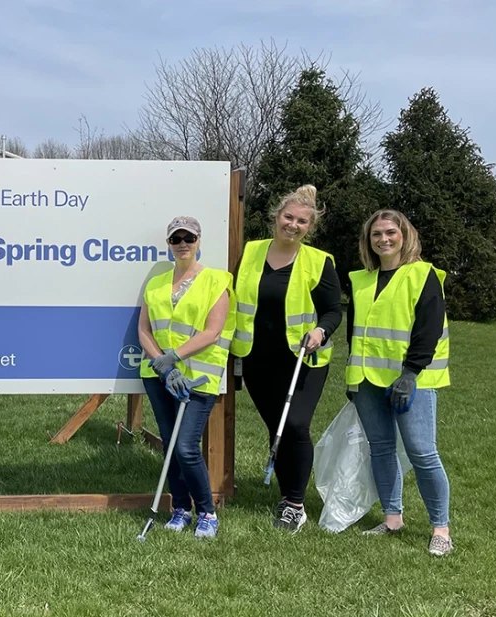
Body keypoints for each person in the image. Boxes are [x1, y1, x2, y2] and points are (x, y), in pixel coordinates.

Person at [231, 184, 342, 532]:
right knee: (276, 427)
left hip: (301, 361)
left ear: (311, 227)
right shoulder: (250, 252)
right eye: (288, 217)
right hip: (256, 359)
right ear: (276, 217)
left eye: (302, 221)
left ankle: (296, 503)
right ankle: (285, 494)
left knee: (295, 425)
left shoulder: (318, 262)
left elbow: (333, 311)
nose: (293, 225)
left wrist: (321, 332)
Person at [346, 209, 452, 556]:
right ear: (368, 240)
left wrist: (410, 373)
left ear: (404, 236)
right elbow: (356, 333)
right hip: (367, 379)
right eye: (376, 234)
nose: (384, 239)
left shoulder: (422, 275)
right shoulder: (361, 280)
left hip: (412, 380)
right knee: (381, 449)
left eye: (391, 232)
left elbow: (429, 328)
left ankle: (441, 528)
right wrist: (352, 377)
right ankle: (393, 518)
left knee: (422, 453)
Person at [137, 216, 235, 539]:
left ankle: (207, 512)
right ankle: (180, 507)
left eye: (188, 238)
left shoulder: (217, 280)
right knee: (169, 446)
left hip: (196, 380)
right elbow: (144, 331)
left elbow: (213, 331)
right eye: (175, 239)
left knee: (186, 448)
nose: (182, 244)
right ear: (168, 244)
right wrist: (164, 366)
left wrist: (175, 357)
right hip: (160, 377)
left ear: (198, 241)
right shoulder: (155, 283)